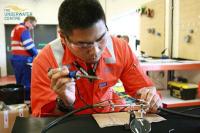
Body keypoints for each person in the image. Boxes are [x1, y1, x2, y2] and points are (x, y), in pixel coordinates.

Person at [31, 0, 162, 117]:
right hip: (72, 120)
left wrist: (151, 98)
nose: (95, 51)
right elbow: (42, 120)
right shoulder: (46, 61)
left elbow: (142, 89)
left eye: (100, 39)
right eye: (83, 44)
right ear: (63, 38)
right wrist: (64, 103)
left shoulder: (120, 48)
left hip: (110, 113)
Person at [10, 16, 38, 100]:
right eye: (33, 25)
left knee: (20, 82)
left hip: (16, 59)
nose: (32, 28)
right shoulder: (23, 29)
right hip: (24, 60)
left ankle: (20, 101)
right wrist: (37, 54)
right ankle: (27, 102)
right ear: (28, 22)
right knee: (26, 83)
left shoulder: (16, 28)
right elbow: (29, 46)